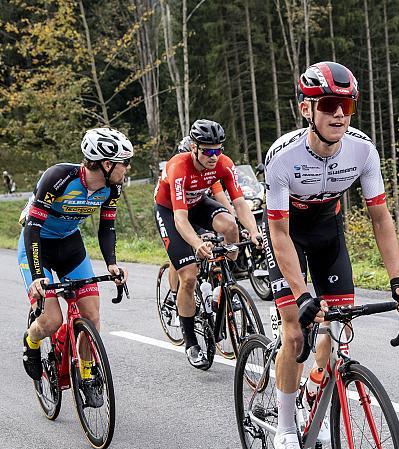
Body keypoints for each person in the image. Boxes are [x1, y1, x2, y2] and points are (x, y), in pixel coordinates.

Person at [262, 61, 399, 449]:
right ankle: (284, 430)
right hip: (288, 233)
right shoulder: (282, 156)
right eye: (329, 104)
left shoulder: (363, 149)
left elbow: (381, 218)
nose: (338, 114)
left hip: (328, 232)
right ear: (305, 109)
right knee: (296, 332)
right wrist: (301, 295)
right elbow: (278, 234)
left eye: (346, 106)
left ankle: (317, 384)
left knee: (338, 326)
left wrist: (398, 281)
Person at [18, 128, 131, 408]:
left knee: (90, 314)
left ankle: (87, 373)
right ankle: (31, 342)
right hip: (38, 245)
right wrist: (36, 277)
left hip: (70, 245)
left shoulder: (112, 187)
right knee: (52, 320)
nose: (128, 168)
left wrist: (112, 264)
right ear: (106, 164)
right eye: (124, 162)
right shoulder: (58, 177)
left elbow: (108, 227)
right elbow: (32, 227)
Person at [154, 119, 260, 369]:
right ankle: (191, 342)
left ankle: (227, 279)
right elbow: (180, 219)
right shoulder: (178, 166)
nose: (214, 156)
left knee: (230, 225)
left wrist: (254, 231)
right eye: (208, 151)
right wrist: (197, 242)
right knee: (189, 277)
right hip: (171, 211)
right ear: (194, 147)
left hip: (198, 204)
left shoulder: (223, 164)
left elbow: (238, 203)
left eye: (218, 149)